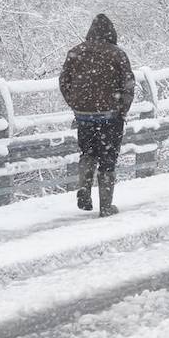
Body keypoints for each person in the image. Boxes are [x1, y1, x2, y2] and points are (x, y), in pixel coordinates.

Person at [59, 13, 135, 216]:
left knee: (88, 153)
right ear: (111, 34)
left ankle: (84, 190)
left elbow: (64, 82)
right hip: (110, 115)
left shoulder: (75, 52)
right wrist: (122, 109)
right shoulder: (117, 54)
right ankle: (106, 206)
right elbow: (128, 84)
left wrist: (76, 104)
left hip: (84, 116)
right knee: (108, 159)